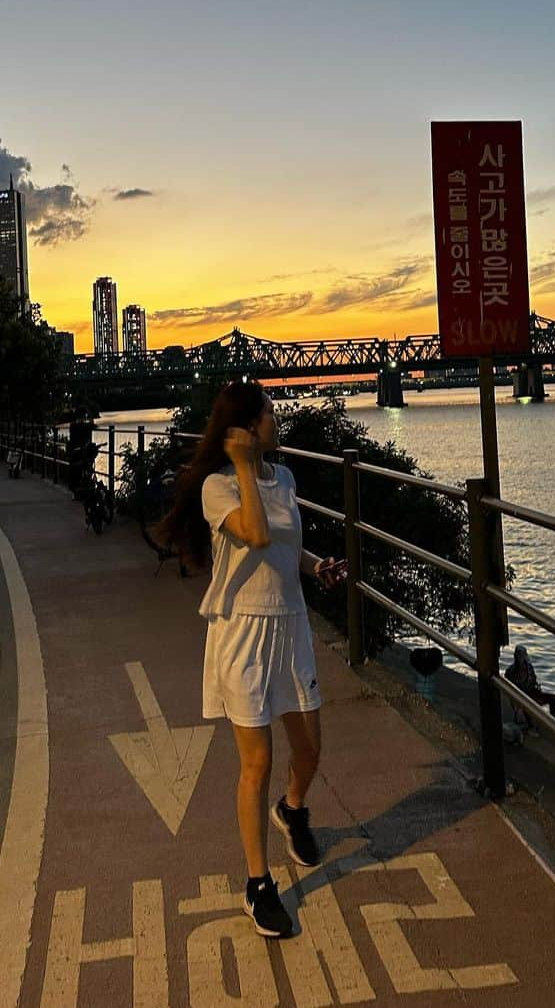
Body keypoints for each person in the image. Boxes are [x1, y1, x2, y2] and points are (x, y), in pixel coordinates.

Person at [156, 380, 346, 939]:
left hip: (291, 627)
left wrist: (316, 568)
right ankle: (258, 884)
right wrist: (240, 464)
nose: (275, 420)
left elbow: (285, 544)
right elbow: (257, 535)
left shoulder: (284, 477)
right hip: (242, 634)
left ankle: (292, 809)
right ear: (244, 429)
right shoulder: (219, 487)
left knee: (310, 749)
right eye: (268, 414)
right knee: (256, 763)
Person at [505, 644, 555, 717]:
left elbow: (534, 681)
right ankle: (530, 724)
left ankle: (553, 718)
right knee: (527, 705)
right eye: (519, 655)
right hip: (521, 697)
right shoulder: (510, 671)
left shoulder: (529, 668)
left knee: (554, 698)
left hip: (533, 694)